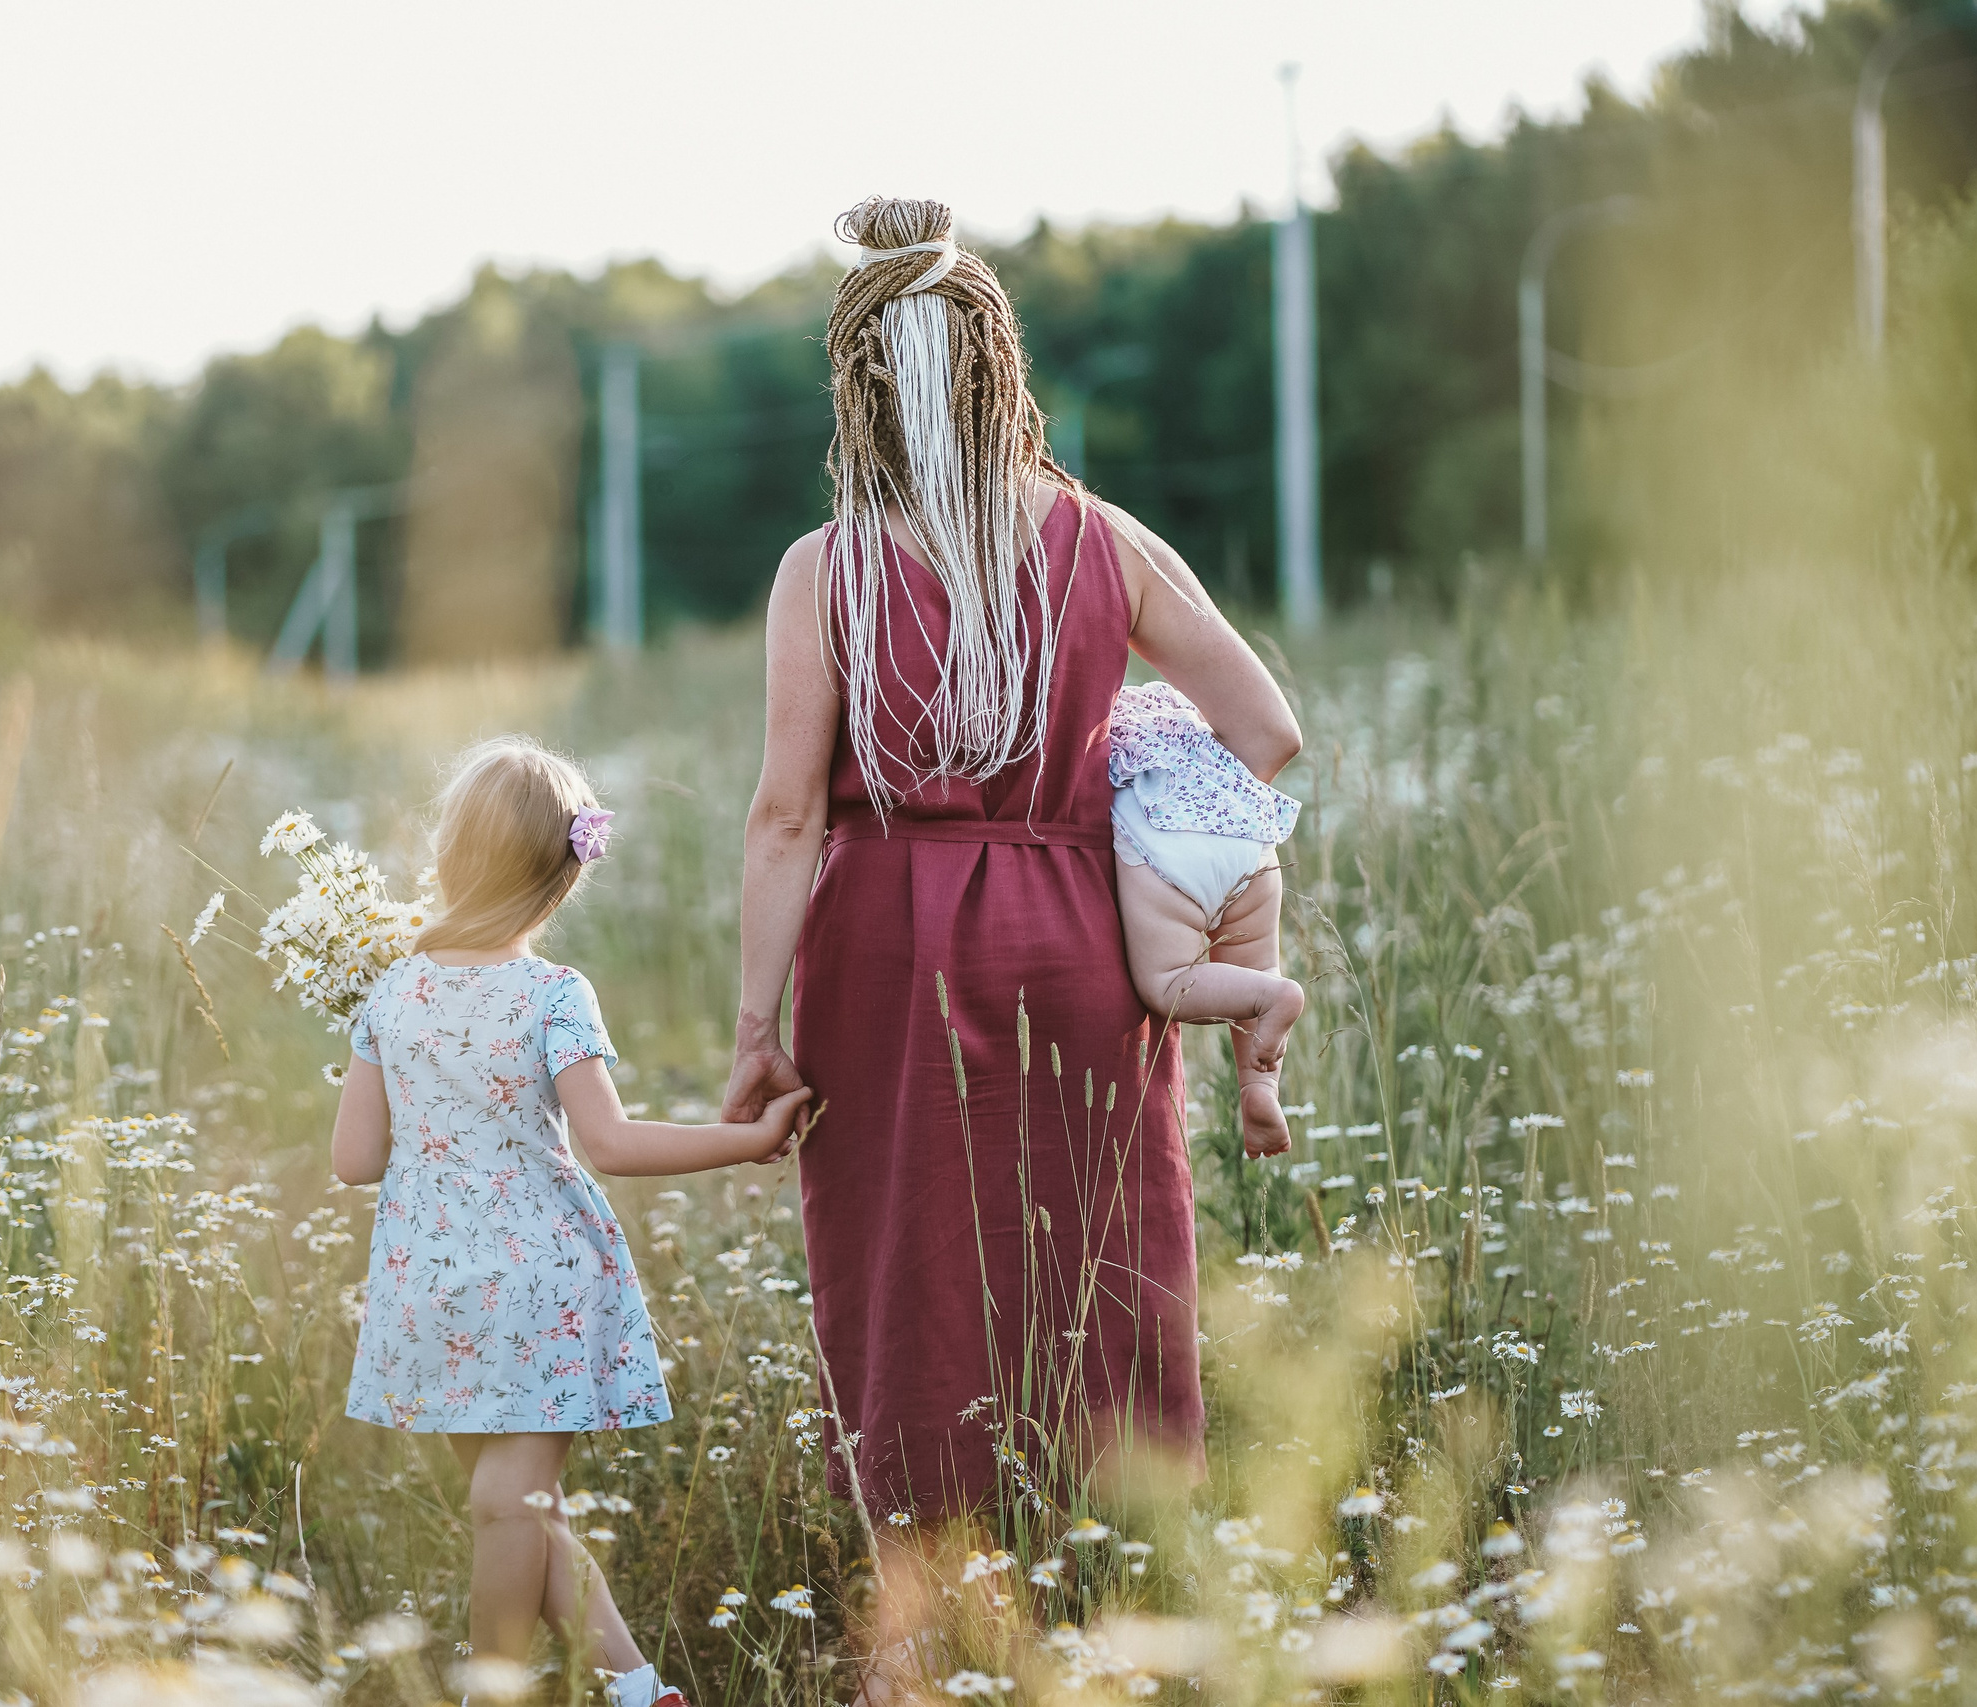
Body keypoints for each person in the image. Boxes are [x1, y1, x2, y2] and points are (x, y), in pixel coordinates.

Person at [720, 197, 1304, 1696]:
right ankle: (1116, 1596)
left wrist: (750, 1030)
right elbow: (1270, 731)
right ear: (999, 365)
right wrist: (1130, 772)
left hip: (881, 957)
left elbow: (787, 813)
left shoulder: (823, 568)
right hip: (1079, 937)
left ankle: (932, 1630)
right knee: (1098, 1263)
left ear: (858, 387)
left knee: (913, 1278)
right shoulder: (1100, 535)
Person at [330, 736, 812, 1707]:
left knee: (511, 1508)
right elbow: (613, 1143)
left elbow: (354, 1160)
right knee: (518, 1510)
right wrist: (748, 1139)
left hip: (431, 1282)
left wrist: (421, 1094)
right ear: (561, 876)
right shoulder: (552, 993)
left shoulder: (390, 993)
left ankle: (633, 1690)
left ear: (450, 856)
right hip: (535, 1283)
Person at [1106, 679, 1306, 1153]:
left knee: (1170, 980)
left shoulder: (1108, 728)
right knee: (1256, 968)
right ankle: (1259, 1088)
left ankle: (1271, 996)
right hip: (1247, 836)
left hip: (1168, 842)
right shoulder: (1181, 716)